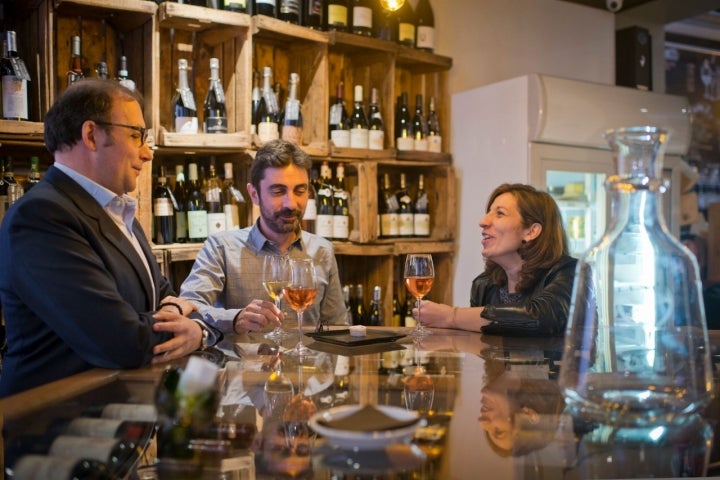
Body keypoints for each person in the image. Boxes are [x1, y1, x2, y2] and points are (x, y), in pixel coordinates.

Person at [0, 79, 218, 397]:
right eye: (135, 136)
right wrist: (197, 331)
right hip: (49, 422)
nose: (147, 153)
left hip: (116, 417)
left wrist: (179, 315)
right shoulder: (41, 216)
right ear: (91, 134)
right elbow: (120, 341)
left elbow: (168, 295)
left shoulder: (117, 209)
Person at [180, 139, 345, 334]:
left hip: (306, 365)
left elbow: (337, 327)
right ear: (254, 194)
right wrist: (233, 319)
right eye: (278, 191)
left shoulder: (322, 250)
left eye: (300, 191)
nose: (290, 203)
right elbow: (189, 306)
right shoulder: (221, 248)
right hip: (242, 364)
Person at [418, 183, 577, 336]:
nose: (483, 222)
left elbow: (540, 318)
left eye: (500, 213)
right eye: (488, 213)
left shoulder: (570, 273)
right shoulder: (484, 285)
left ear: (531, 231)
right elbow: (481, 348)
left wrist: (452, 316)